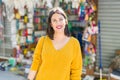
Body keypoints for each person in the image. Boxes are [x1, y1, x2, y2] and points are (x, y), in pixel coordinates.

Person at [27, 7, 83, 80]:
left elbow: (76, 71)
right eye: (54, 20)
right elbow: (35, 64)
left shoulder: (74, 43)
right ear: (51, 24)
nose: (58, 23)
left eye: (60, 19)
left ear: (66, 21)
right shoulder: (42, 41)